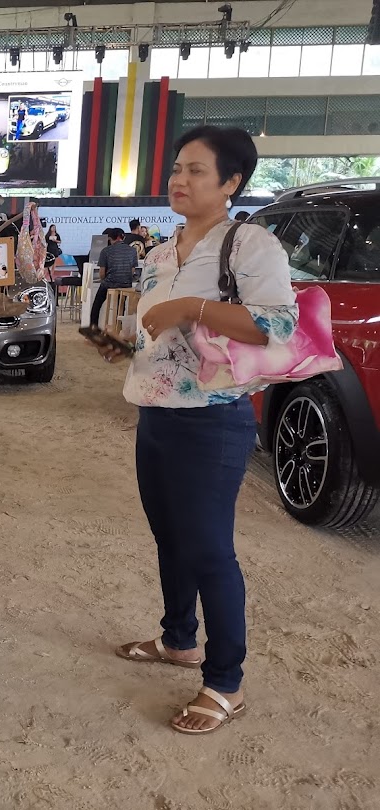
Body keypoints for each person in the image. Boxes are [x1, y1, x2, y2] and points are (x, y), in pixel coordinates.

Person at [92, 126, 297, 735]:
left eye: (197, 171)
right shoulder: (160, 252)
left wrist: (192, 308)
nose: (179, 180)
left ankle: (225, 682)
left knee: (208, 548)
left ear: (232, 183)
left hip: (214, 421)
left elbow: (278, 327)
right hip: (157, 415)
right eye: (177, 168)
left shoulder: (249, 245)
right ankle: (179, 638)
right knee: (170, 538)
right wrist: (122, 345)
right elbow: (160, 335)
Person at [89, 228, 139, 327]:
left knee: (96, 305)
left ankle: (93, 328)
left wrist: (105, 280)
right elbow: (132, 270)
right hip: (126, 284)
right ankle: (118, 328)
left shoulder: (106, 251)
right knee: (121, 305)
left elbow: (102, 273)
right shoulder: (133, 251)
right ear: (123, 237)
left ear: (110, 238)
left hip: (110, 283)